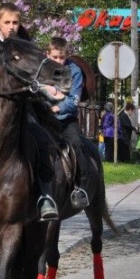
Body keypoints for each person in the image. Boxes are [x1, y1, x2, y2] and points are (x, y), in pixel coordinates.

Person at [0, 2, 58, 221]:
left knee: (43, 141)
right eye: (7, 22)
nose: (11, 27)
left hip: (22, 109)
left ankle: (45, 197)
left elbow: (39, 74)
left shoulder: (27, 48)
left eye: (15, 22)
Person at [46, 36, 89, 209]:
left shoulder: (74, 71)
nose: (58, 61)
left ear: (67, 55)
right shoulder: (41, 70)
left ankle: (81, 186)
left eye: (61, 57)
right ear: (47, 54)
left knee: (76, 144)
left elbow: (73, 100)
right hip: (44, 118)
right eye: (55, 57)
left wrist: (57, 108)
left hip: (65, 119)